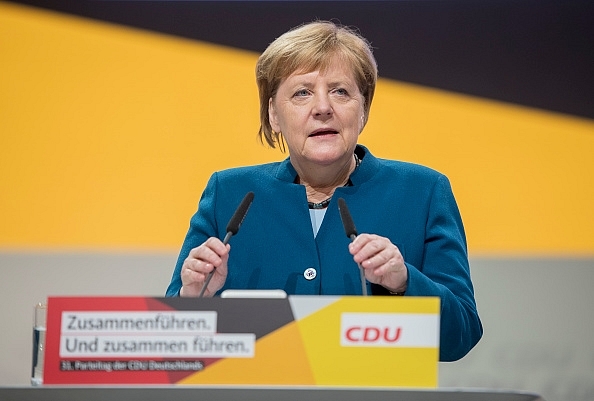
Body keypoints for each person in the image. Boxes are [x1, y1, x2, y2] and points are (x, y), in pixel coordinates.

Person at [166, 20, 482, 361]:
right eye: (302, 92)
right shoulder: (229, 193)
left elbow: (460, 336)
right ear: (274, 113)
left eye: (340, 91)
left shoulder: (423, 191)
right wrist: (192, 299)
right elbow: (172, 341)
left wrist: (404, 282)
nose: (322, 107)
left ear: (363, 110)